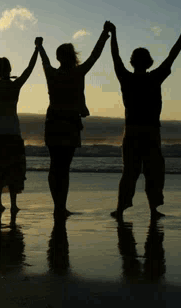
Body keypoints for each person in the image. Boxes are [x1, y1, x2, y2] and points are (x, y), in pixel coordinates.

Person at [109, 19, 181, 220]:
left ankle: (121, 209)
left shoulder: (126, 77)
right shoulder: (154, 77)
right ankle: (153, 209)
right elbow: (171, 57)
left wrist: (113, 35)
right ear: (149, 62)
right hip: (150, 131)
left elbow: (115, 57)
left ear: (132, 62)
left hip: (132, 131)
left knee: (130, 172)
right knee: (154, 171)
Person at [38, 22, 111, 218]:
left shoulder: (52, 74)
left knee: (55, 166)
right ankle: (61, 206)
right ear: (73, 57)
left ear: (59, 58)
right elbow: (95, 56)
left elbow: (44, 61)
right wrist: (104, 34)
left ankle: (58, 206)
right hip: (69, 122)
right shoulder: (78, 73)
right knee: (64, 167)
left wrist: (39, 47)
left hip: (53, 121)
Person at [0, 38, 39, 212]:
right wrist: (37, 49)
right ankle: (13, 204)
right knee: (13, 169)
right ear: (9, 69)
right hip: (12, 132)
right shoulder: (15, 85)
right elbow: (29, 69)